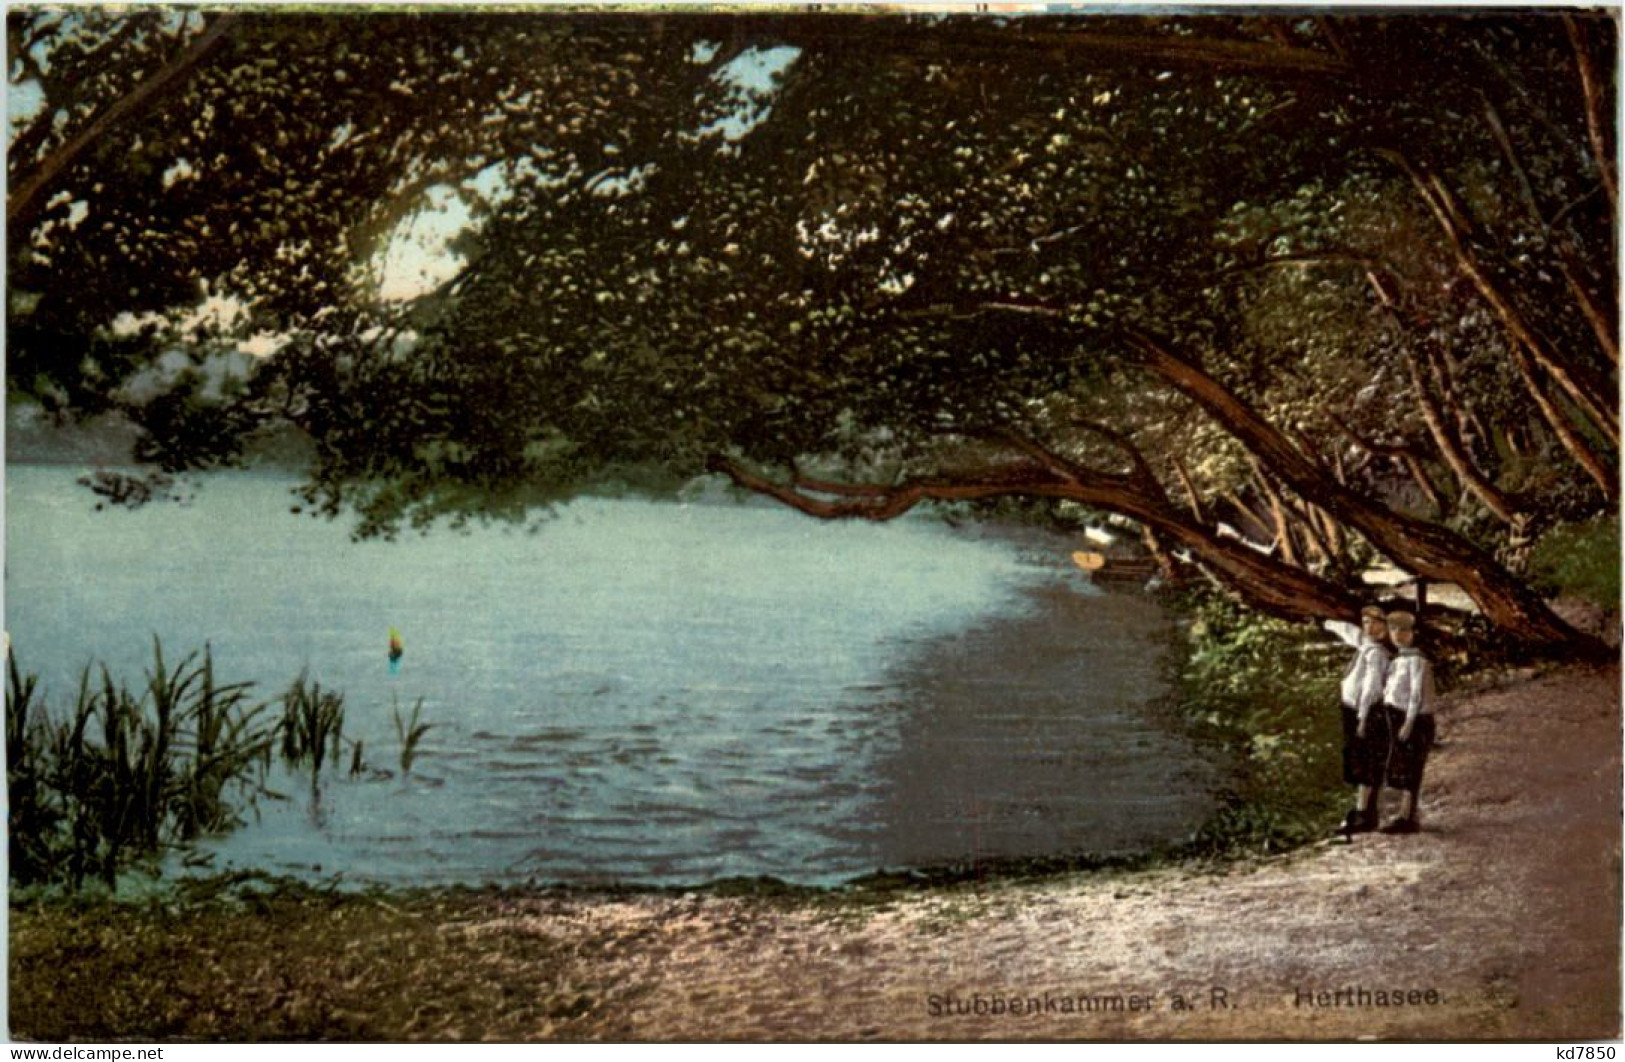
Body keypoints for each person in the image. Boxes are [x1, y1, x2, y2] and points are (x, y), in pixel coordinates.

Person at [1324, 605, 1393, 834]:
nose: (1369, 628)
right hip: (1353, 710)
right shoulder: (1366, 645)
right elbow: (1350, 632)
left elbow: (1371, 689)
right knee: (1357, 759)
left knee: (1366, 760)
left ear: (1386, 627)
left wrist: (1363, 717)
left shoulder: (1377, 654)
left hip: (1366, 712)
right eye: (1366, 623)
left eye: (1375, 623)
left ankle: (1365, 813)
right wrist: (1327, 623)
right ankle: (1362, 810)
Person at [1379, 610, 1436, 834]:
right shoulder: (1398, 660)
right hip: (1398, 717)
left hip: (1415, 719)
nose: (1398, 635)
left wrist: (1408, 723)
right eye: (1394, 630)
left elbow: (1416, 696)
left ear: (1413, 633)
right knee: (1400, 764)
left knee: (1412, 766)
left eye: (1404, 630)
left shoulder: (1417, 661)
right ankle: (1403, 814)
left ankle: (1408, 816)